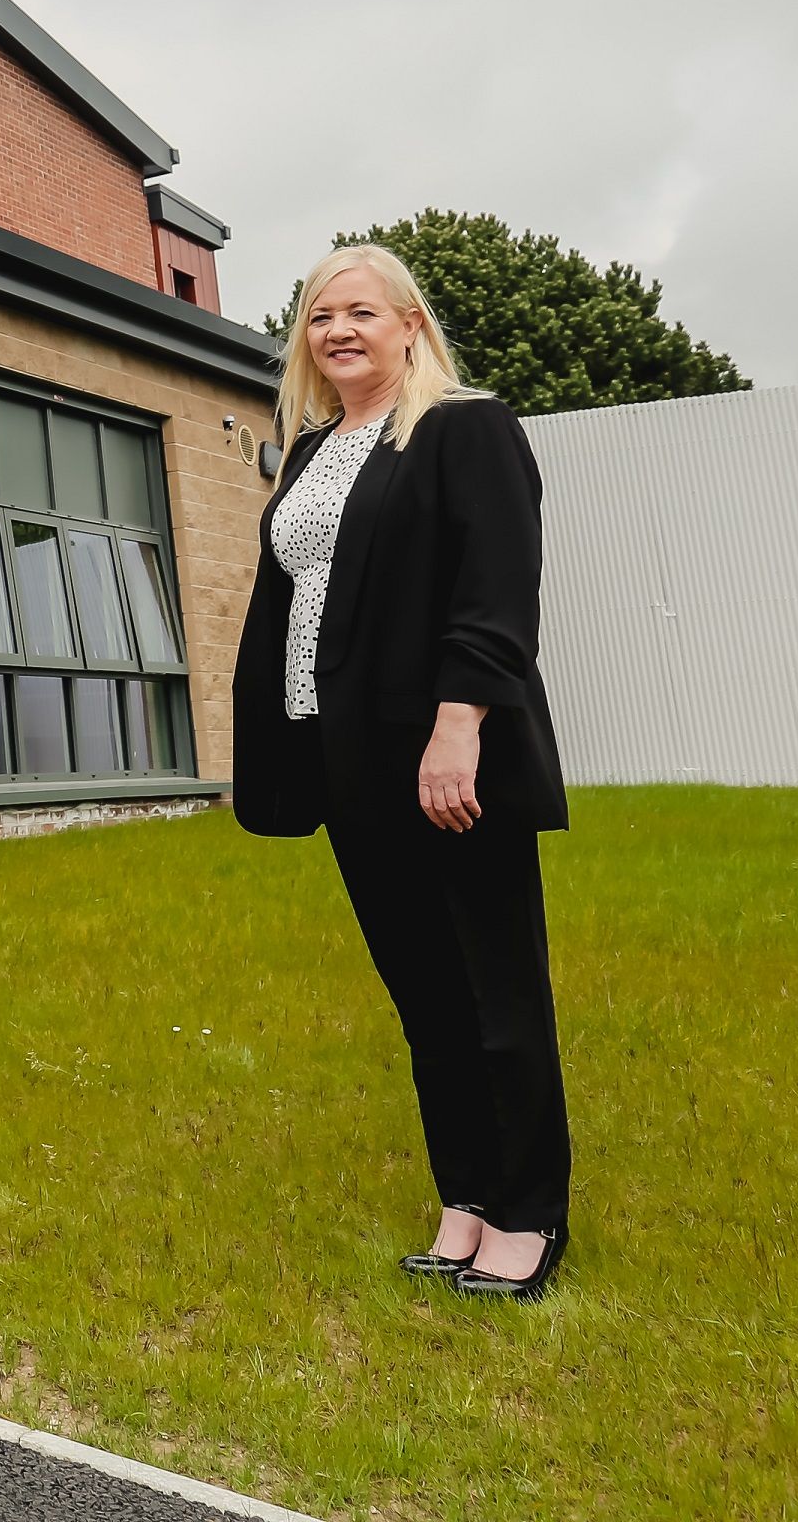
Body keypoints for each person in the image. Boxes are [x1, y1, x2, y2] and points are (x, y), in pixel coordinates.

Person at [233, 242, 574, 1300]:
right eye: (320, 316)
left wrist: (458, 723)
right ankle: (467, 1198)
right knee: (425, 994)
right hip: (341, 753)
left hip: (440, 749)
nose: (339, 330)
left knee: (492, 986)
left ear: (410, 326)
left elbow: (496, 586)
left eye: (362, 312)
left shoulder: (462, 427)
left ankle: (530, 1213)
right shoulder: (306, 453)